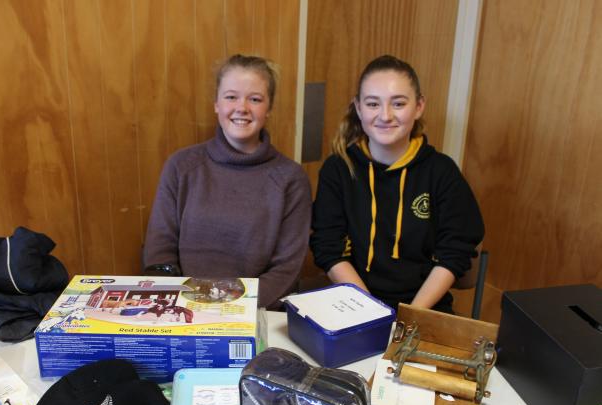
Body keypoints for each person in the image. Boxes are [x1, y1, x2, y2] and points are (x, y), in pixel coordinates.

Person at [310, 55, 484, 313]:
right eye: (372, 104)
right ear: (358, 108)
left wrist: (409, 317)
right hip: (354, 305)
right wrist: (371, 313)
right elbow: (329, 249)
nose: (385, 115)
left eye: (399, 103)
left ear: (419, 106)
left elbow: (455, 252)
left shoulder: (442, 172)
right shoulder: (338, 170)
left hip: (424, 309)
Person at [144, 54, 311, 309]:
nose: (241, 108)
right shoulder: (181, 166)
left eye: (255, 99)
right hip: (184, 312)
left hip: (256, 313)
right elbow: (160, 251)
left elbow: (286, 269)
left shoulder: (291, 178)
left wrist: (233, 309)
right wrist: (184, 307)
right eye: (231, 97)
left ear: (268, 109)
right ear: (216, 104)